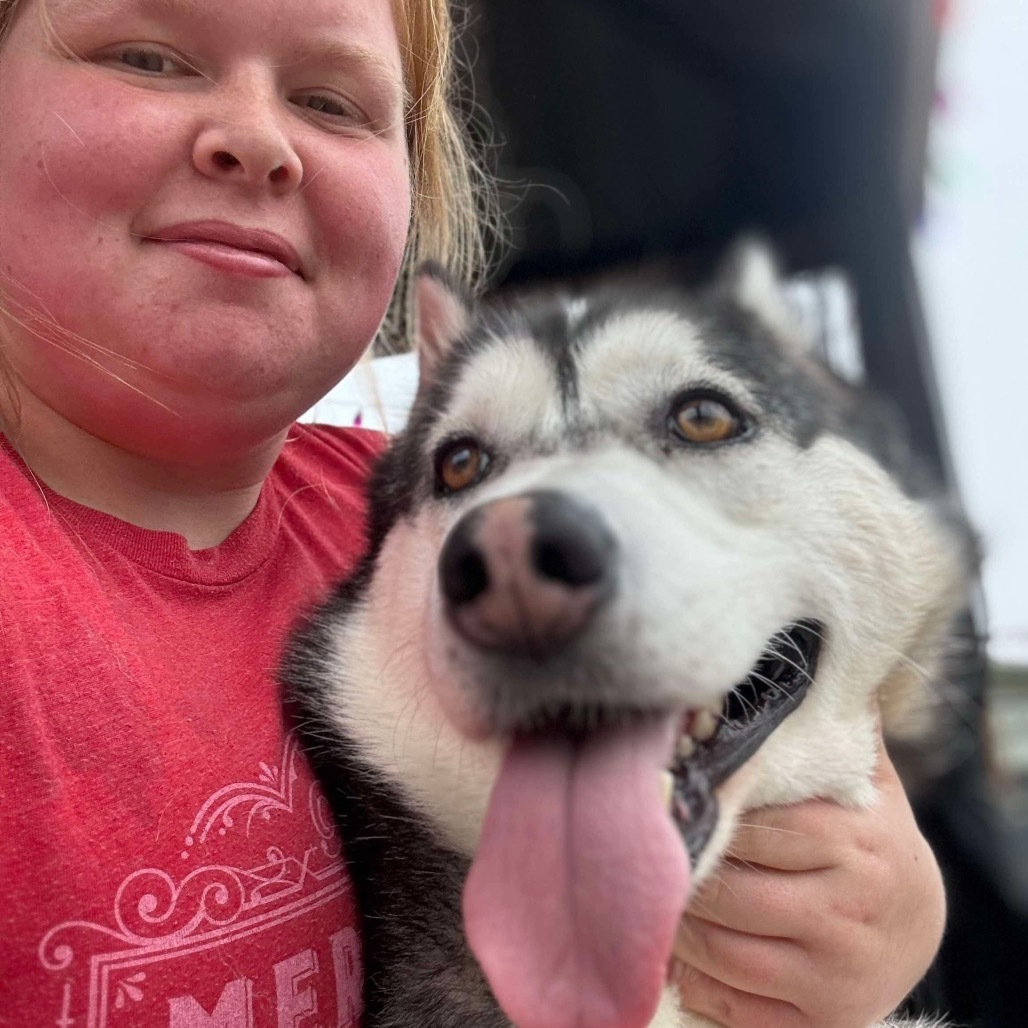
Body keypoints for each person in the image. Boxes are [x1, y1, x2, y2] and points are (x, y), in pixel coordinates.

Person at [0, 0, 945, 1025]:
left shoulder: (416, 515)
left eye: (330, 100)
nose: (258, 139)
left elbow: (826, 722)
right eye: (147, 57)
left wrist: (890, 913)